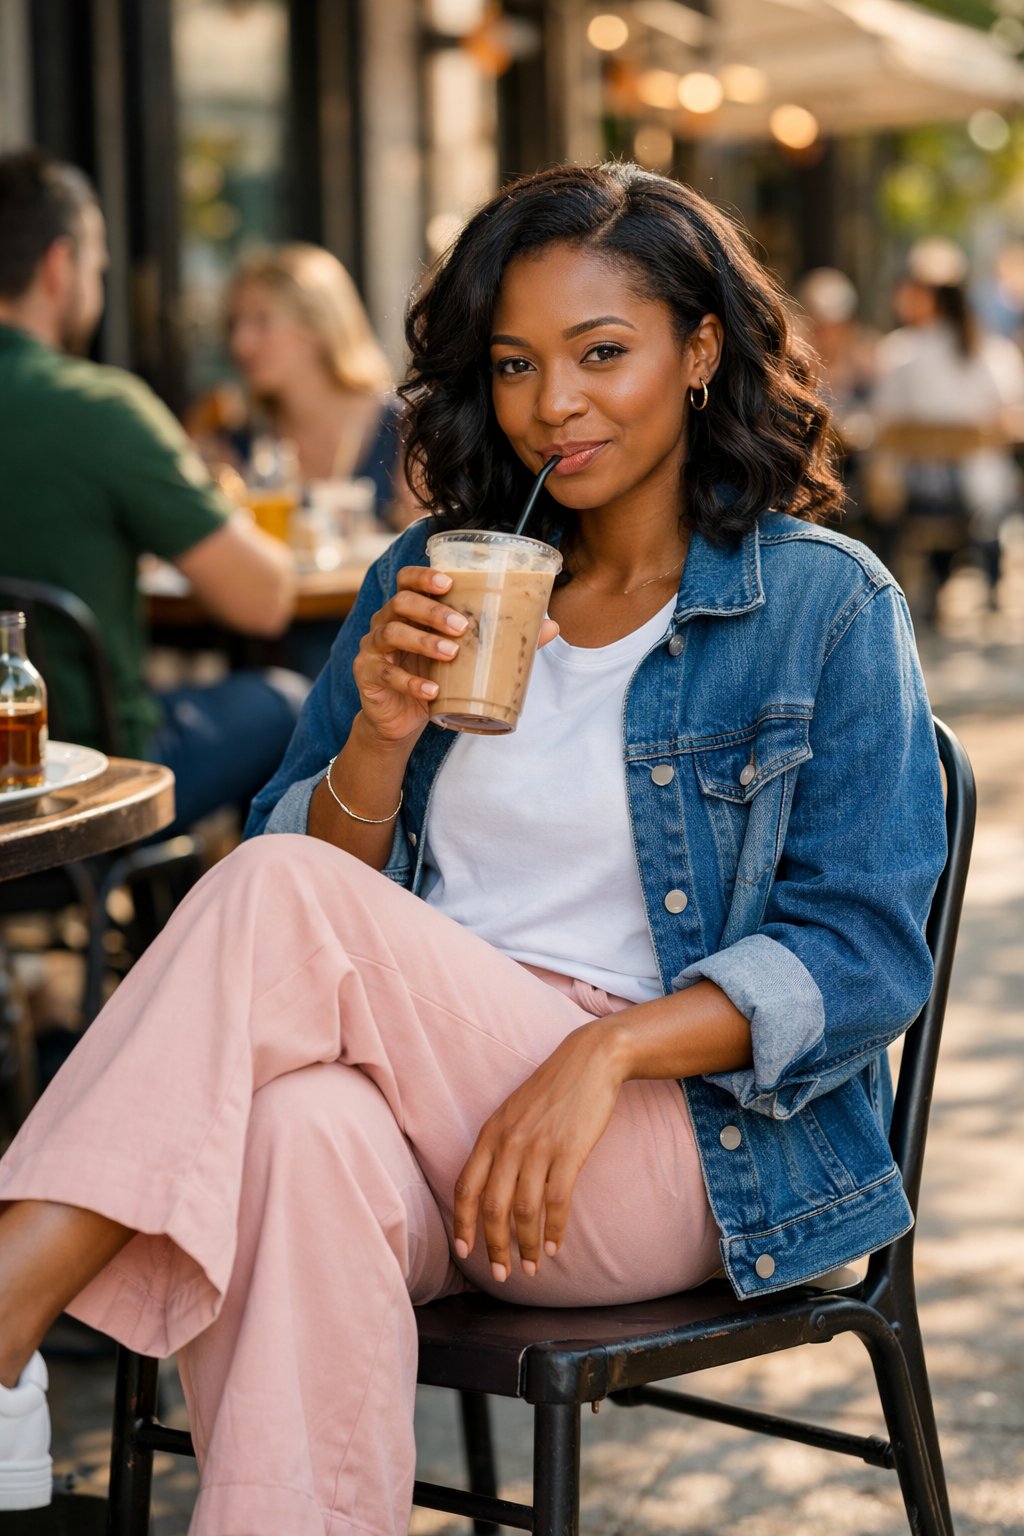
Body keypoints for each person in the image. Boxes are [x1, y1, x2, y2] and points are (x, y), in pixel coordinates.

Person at [0, 163, 946, 1530]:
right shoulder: (429, 578)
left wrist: (605, 1047)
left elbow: (862, 955)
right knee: (296, 1128)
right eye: (515, 364)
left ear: (698, 352)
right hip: (436, 1121)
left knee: (270, 896)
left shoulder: (821, 605)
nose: (553, 403)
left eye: (600, 353)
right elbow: (307, 887)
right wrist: (378, 736)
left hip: (673, 1146)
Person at [0, 148, 306, 834]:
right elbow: (263, 599)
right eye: (99, 266)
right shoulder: (99, 410)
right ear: (59, 267)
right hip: (78, 779)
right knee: (289, 700)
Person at [188, 243, 417, 530]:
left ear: (320, 327)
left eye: (262, 321)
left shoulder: (407, 431)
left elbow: (430, 553)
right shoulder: (233, 446)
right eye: (234, 324)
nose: (239, 343)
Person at [871, 236, 1024, 619]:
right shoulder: (992, 352)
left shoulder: (899, 352)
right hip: (978, 488)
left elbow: (882, 420)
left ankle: (922, 582)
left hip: (918, 487)